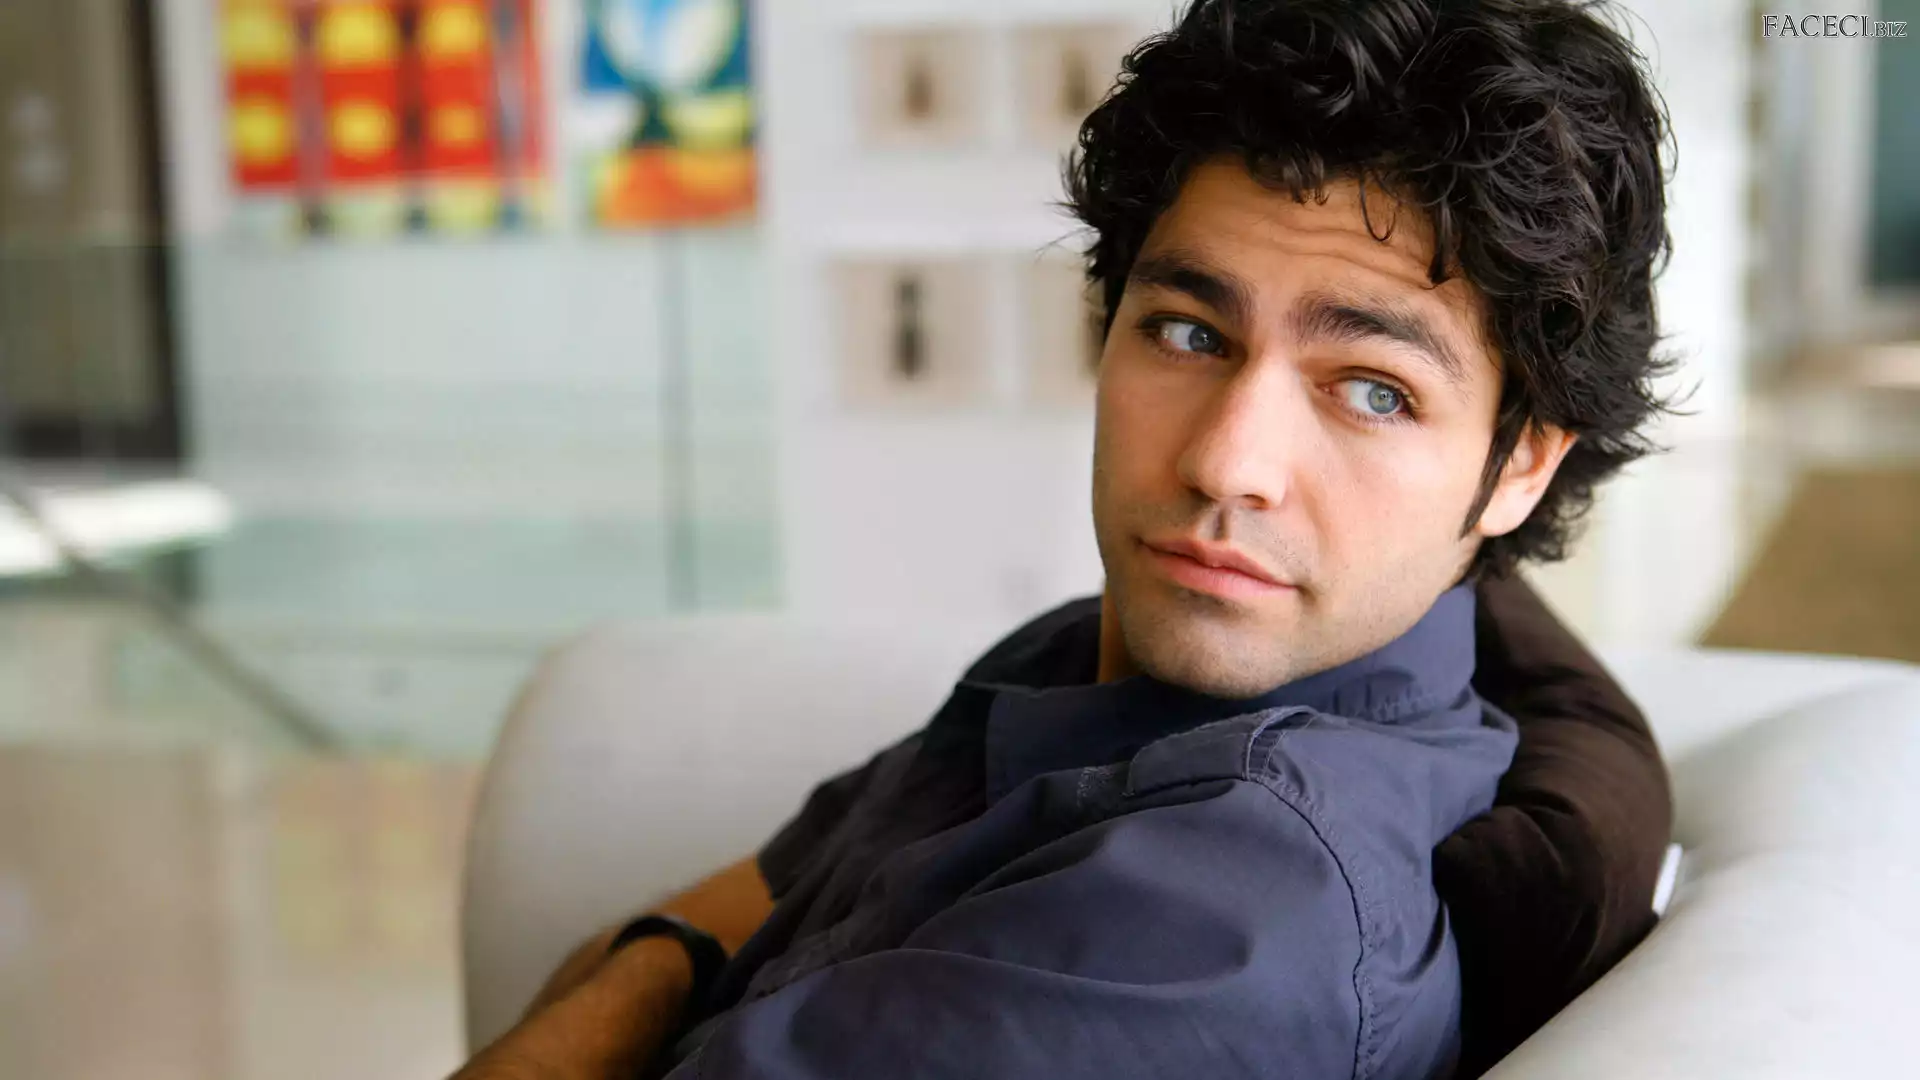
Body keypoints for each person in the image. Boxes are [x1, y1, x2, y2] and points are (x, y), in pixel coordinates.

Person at [454, 0, 1678, 1076]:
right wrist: (659, 967)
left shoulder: (1222, 918)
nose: (1225, 464)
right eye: (1189, 333)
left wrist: (634, 986)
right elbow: (741, 906)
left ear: (1521, 463)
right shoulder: (1107, 653)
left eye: (1372, 391)